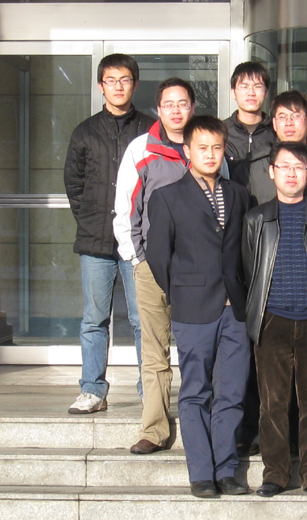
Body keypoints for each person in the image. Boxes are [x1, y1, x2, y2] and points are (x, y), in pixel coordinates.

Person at [145, 115, 251, 499]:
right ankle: (202, 473)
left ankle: (227, 470)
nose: (210, 154)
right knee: (194, 392)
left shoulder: (239, 194)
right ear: (187, 151)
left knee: (232, 392)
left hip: (234, 309)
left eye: (216, 148)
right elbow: (158, 257)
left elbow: (244, 250)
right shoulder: (167, 197)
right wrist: (182, 291)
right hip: (193, 309)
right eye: (202, 148)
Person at [242, 142, 307, 498]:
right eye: (284, 166)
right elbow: (250, 270)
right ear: (271, 172)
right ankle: (275, 473)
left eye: (298, 167)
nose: (291, 173)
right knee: (272, 403)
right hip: (271, 320)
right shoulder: (256, 219)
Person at [63, 53, 154, 414]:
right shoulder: (85, 131)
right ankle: (92, 390)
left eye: (125, 79)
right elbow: (74, 184)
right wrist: (90, 219)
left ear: (135, 84)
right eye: (111, 80)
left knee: (143, 319)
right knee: (94, 318)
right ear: (101, 85)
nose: (118, 86)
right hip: (96, 240)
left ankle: (149, 390)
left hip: (138, 242)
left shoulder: (150, 129)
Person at [113, 78, 195, 455]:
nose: (176, 110)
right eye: (169, 104)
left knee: (197, 348)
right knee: (154, 350)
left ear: (192, 107)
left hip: (198, 269)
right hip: (152, 266)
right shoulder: (141, 148)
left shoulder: (204, 146)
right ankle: (154, 429)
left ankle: (199, 423)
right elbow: (126, 207)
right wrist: (137, 257)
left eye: (183, 103)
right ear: (159, 109)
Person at [232, 90, 307, 208]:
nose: (289, 123)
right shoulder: (253, 165)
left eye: (296, 116)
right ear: (274, 123)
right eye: (282, 117)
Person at [224, 62, 275, 173]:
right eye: (244, 86)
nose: (251, 92)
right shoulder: (221, 131)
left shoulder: (277, 132)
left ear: (266, 92)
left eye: (257, 86)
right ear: (233, 92)